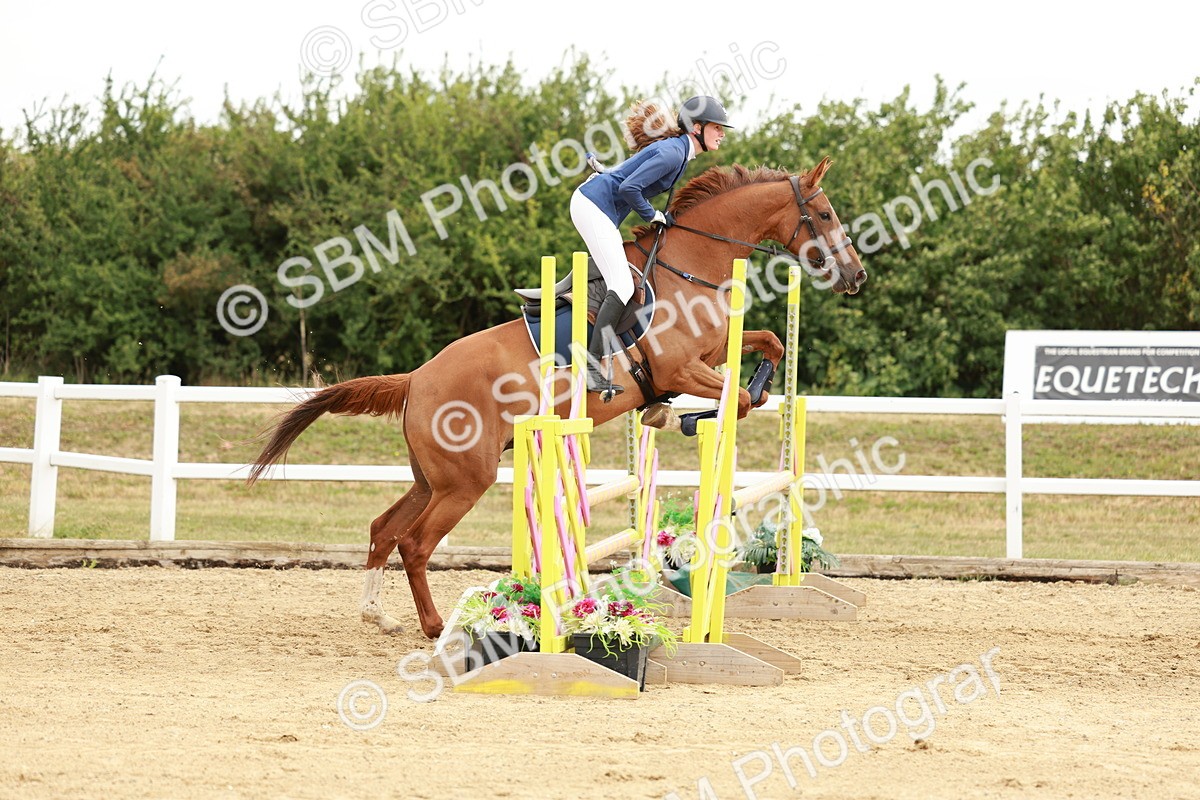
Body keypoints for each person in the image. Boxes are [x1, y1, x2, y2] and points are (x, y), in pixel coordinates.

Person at [571, 95, 734, 398]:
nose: (722, 133)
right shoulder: (674, 153)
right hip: (592, 207)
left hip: (598, 206)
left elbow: (625, 175)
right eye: (716, 127)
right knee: (621, 285)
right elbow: (628, 187)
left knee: (617, 272)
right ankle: (592, 367)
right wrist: (652, 215)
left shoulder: (678, 153)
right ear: (696, 127)